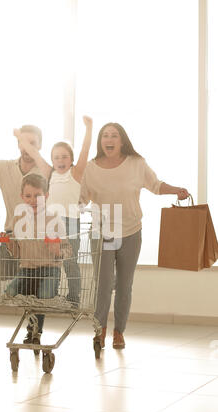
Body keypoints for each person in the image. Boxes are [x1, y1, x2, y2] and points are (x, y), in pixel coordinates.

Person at [80, 122, 190, 350]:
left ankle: (119, 331)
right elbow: (82, 198)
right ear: (101, 142)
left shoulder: (136, 164)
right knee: (102, 283)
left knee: (124, 284)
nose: (109, 139)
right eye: (105, 135)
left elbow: (155, 185)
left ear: (122, 141)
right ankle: (99, 330)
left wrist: (176, 190)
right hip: (103, 232)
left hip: (130, 231)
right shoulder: (91, 168)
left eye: (114, 135)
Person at [13, 116, 93, 305]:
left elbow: (85, 150)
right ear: (52, 160)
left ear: (71, 159)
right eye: (56, 157)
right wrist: (20, 137)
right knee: (51, 260)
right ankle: (49, 293)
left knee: (70, 261)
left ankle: (73, 298)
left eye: (65, 156)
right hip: (50, 223)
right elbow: (34, 152)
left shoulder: (76, 173)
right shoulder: (50, 173)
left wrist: (89, 128)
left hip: (70, 222)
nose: (60, 160)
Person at [5, 173, 71, 345]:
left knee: (42, 296)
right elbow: (17, 253)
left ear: (46, 196)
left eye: (38, 196)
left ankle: (35, 332)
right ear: (22, 197)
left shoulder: (54, 220)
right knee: (10, 292)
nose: (33, 200)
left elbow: (68, 249)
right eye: (28, 196)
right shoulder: (18, 219)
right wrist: (9, 243)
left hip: (49, 269)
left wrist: (58, 251)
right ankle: (32, 326)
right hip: (27, 269)